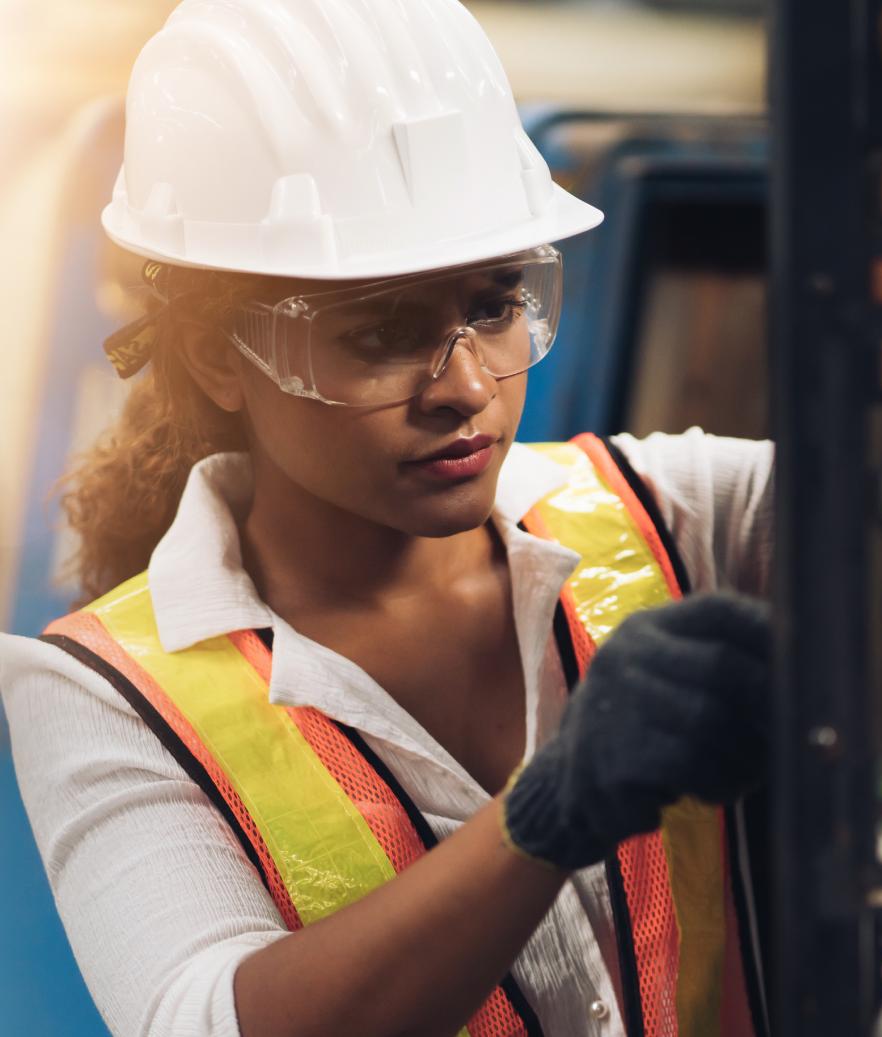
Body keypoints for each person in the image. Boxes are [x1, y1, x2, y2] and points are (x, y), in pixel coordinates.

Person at [0, 2, 775, 1035]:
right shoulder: (101, 691)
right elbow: (204, 1019)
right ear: (219, 358)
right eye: (380, 332)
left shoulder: (683, 514)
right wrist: (542, 817)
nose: (464, 384)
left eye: (496, 304)